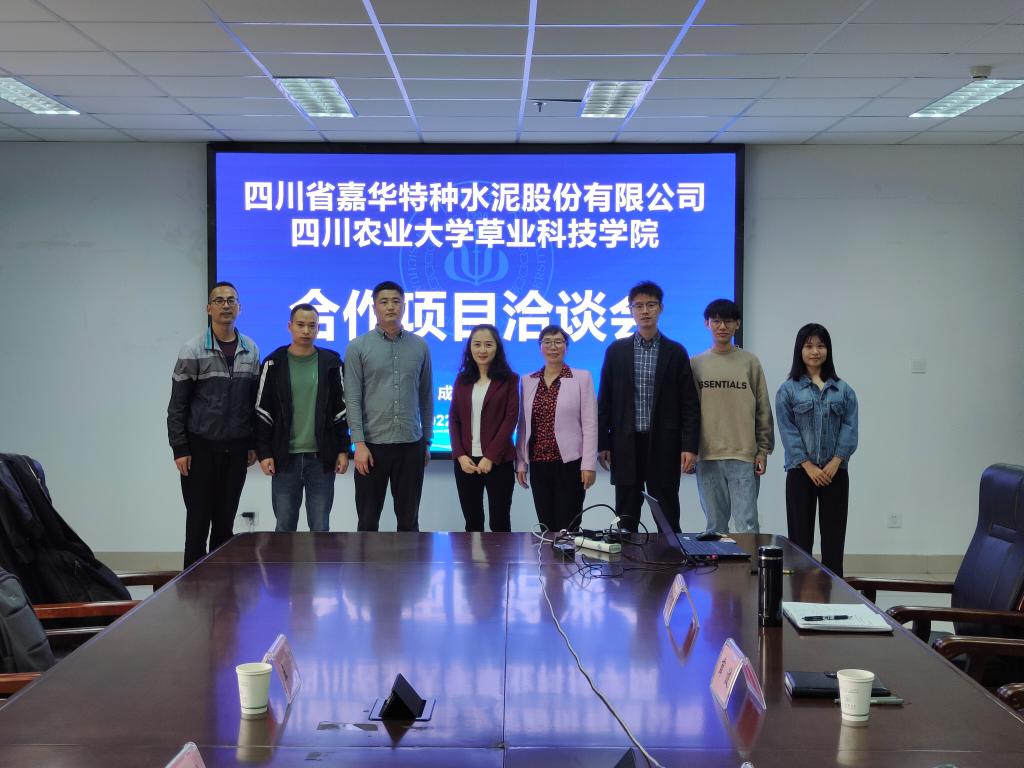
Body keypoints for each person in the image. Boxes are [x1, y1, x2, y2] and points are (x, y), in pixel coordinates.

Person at [167, 281, 260, 567]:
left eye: (231, 300)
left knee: (224, 526)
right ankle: (191, 589)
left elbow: (253, 404)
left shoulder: (251, 350)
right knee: (197, 525)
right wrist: (180, 448)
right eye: (219, 301)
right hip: (200, 448)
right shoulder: (192, 350)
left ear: (239, 307)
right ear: (209, 308)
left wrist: (252, 443)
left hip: (236, 449)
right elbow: (178, 404)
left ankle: (222, 588)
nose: (225, 306)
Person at [597, 281, 701, 533]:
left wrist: (689, 446)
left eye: (651, 305)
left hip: (664, 444)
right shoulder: (616, 351)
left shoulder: (675, 352)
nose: (645, 311)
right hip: (625, 443)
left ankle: (671, 556)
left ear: (660, 308)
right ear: (631, 310)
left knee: (667, 513)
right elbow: (605, 400)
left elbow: (689, 403)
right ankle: (626, 557)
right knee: (626, 515)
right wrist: (603, 443)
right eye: (639, 306)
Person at [344, 281, 433, 532]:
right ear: (374, 308)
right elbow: (352, 398)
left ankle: (409, 561)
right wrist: (359, 444)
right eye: (384, 302)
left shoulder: (420, 346)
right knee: (368, 520)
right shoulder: (358, 347)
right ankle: (366, 561)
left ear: (404, 306)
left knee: (409, 521)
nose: (390, 306)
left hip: (411, 445)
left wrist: (426, 441)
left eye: (396, 301)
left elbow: (426, 395)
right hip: (372, 447)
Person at [254, 304, 350, 532]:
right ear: (290, 326)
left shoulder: (332, 363)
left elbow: (341, 411)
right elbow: (262, 411)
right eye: (300, 325)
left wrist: (343, 450)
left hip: (321, 459)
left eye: (312, 326)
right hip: (284, 459)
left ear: (318, 328)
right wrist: (264, 453)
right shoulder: (273, 363)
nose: (306, 330)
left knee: (320, 527)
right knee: (284, 527)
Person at [776, 323, 858, 576]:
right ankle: (800, 591)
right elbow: (788, 431)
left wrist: (836, 461)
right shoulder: (788, 390)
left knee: (834, 538)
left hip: (835, 473)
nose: (815, 351)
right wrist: (808, 465)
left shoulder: (843, 390)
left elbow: (850, 428)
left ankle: (834, 592)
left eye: (820, 346)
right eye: (809, 346)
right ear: (799, 350)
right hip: (801, 473)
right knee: (800, 541)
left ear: (828, 350)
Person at [691, 298, 774, 534]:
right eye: (716, 321)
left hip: (743, 455)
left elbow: (763, 408)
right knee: (715, 529)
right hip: (707, 455)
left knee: (747, 527)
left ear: (737, 324)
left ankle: (750, 562)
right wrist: (688, 449)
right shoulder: (695, 364)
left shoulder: (750, 362)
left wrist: (763, 450)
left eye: (728, 321)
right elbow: (689, 412)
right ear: (707, 324)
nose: (722, 327)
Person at [516, 325, 597, 533]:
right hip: (539, 462)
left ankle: (568, 556)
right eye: (547, 342)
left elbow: (590, 424)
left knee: (568, 525)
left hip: (570, 463)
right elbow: (523, 425)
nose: (553, 347)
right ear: (540, 347)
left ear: (566, 346)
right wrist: (521, 463)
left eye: (558, 342)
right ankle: (548, 557)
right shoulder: (528, 380)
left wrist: (589, 464)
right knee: (546, 524)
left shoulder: (581, 378)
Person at [448, 324, 519, 532]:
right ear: (470, 348)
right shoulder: (462, 380)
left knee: (500, 522)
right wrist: (460, 455)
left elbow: (510, 419)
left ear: (497, 348)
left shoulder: (510, 379)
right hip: (466, 463)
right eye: (477, 344)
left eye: (488, 344)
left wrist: (490, 456)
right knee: (473, 522)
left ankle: (500, 557)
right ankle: (474, 556)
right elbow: (454, 419)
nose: (482, 350)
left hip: (499, 461)